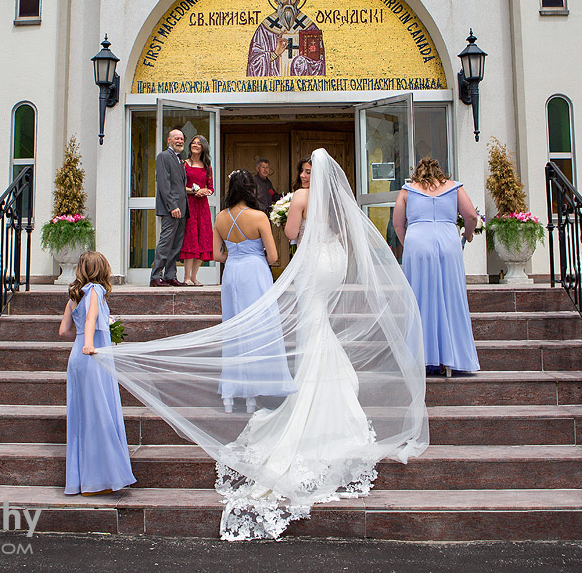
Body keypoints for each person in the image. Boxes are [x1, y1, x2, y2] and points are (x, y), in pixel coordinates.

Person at [98, 149, 428, 541]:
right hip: (330, 261)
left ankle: (264, 387)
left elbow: (287, 236)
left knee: (262, 328)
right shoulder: (333, 202)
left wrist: (290, 217)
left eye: (306, 171)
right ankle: (313, 378)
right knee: (308, 323)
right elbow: (287, 248)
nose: (304, 176)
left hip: (246, 271)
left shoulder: (253, 211)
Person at [213, 170, 296, 414]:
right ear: (251, 190)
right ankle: (253, 393)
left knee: (234, 331)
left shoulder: (219, 218)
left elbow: (217, 255)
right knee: (259, 329)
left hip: (232, 274)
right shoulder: (259, 217)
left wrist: (235, 255)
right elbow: (273, 256)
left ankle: (230, 394)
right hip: (255, 273)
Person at [393, 157, 481, 377]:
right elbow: (471, 215)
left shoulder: (407, 191)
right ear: (439, 172)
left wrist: (410, 244)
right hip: (448, 242)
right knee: (451, 297)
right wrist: (467, 235)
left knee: (420, 298)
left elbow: (397, 223)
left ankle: (421, 358)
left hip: (417, 242)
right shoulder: (454, 188)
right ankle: (451, 359)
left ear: (418, 173)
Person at [59, 251, 136, 495]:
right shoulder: (95, 290)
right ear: (103, 270)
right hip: (92, 358)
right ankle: (98, 480)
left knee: (83, 417)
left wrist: (82, 339)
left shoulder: (74, 295)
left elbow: (63, 332)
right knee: (99, 416)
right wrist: (90, 343)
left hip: (77, 359)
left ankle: (83, 480)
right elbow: (91, 317)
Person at [246, 0, 326, 77]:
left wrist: (303, 63)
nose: (288, 3)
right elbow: (254, 64)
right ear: (276, 0)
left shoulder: (309, 26)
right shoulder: (265, 28)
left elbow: (319, 64)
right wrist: (275, 53)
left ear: (298, 1)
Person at [150, 128, 187, 287]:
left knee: (176, 245)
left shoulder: (179, 159)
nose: (179, 141)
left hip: (182, 210)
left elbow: (178, 185)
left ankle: (170, 275)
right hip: (171, 209)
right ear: (169, 140)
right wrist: (173, 206)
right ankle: (156, 276)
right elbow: (164, 184)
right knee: (165, 243)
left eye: (181, 139)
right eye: (176, 138)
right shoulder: (164, 156)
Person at [178, 134, 214, 286]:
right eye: (193, 143)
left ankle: (194, 277)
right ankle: (186, 277)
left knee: (203, 238)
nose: (196, 145)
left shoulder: (207, 167)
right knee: (190, 239)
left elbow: (211, 188)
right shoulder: (184, 164)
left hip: (203, 206)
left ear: (203, 147)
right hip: (190, 204)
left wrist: (204, 191)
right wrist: (194, 191)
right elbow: (179, 186)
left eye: (199, 143)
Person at [285, 157, 312, 246]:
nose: (302, 175)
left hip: (310, 252)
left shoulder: (301, 195)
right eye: (302, 171)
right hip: (336, 253)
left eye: (308, 172)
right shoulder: (335, 198)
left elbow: (291, 234)